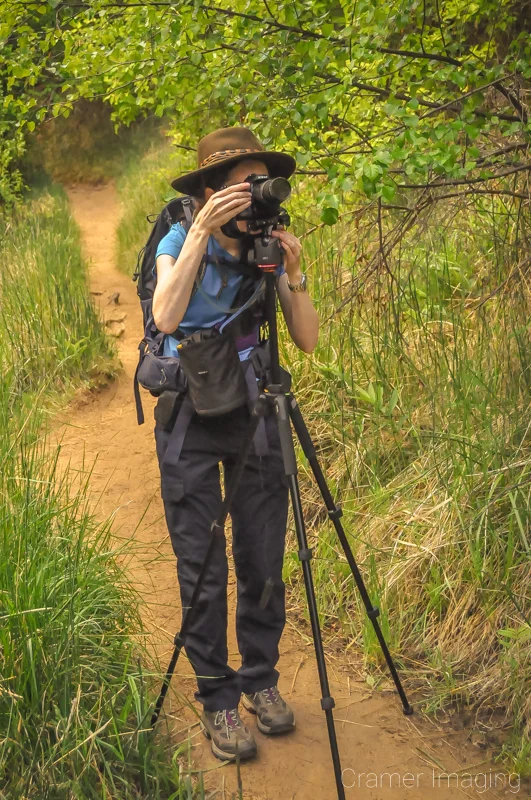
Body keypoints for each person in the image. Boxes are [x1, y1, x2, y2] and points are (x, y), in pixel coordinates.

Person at [151, 126, 319, 762]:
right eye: (241, 186)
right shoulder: (177, 238)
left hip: (254, 408)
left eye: (261, 184)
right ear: (211, 192)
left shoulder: (265, 246)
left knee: (261, 553)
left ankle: (261, 681)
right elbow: (165, 317)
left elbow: (306, 340)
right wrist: (197, 236)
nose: (255, 197)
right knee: (202, 564)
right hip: (192, 416)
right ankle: (218, 700)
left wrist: (293, 272)